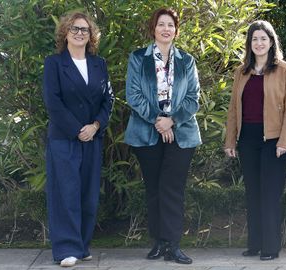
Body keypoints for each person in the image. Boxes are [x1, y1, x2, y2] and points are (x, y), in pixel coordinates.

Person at [124, 7, 201, 265]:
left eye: (170, 25)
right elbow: (133, 95)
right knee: (154, 188)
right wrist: (158, 120)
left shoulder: (187, 61)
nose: (165, 29)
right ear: (153, 28)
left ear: (176, 31)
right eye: (161, 24)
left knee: (172, 188)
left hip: (181, 133)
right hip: (146, 132)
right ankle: (158, 241)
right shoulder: (137, 58)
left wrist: (172, 120)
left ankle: (173, 245)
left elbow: (193, 98)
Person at [43, 11, 113, 267]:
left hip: (92, 138)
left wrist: (95, 125)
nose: (80, 33)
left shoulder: (99, 64)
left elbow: (108, 100)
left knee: (88, 194)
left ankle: (82, 246)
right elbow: (53, 102)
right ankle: (66, 250)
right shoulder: (54, 63)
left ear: (91, 35)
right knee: (66, 194)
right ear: (65, 33)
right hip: (64, 139)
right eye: (75, 29)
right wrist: (78, 129)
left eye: (84, 29)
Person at [224, 20, 286, 261]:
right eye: (254, 39)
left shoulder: (285, 69)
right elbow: (234, 109)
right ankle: (254, 244)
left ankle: (270, 247)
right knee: (252, 193)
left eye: (263, 38)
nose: (259, 43)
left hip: (274, 141)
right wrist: (230, 140)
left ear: (271, 41)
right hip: (248, 140)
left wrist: (284, 142)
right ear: (250, 43)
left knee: (269, 194)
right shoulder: (241, 72)